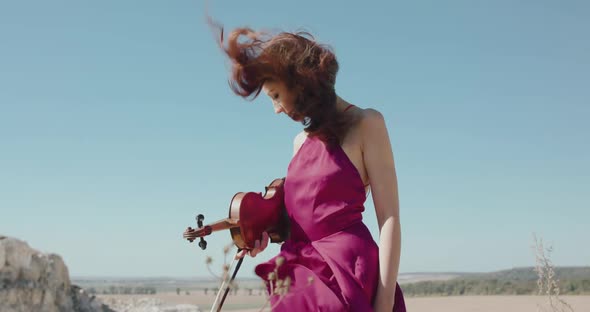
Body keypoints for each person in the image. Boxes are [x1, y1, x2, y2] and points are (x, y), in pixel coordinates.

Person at [208, 18, 406, 312]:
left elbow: (389, 219)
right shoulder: (299, 142)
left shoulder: (367, 123)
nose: (276, 109)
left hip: (348, 272)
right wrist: (264, 236)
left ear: (299, 81)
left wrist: (384, 302)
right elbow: (303, 217)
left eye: (275, 96)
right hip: (301, 273)